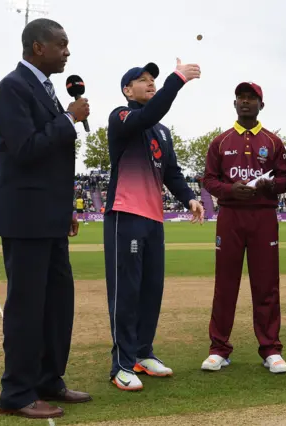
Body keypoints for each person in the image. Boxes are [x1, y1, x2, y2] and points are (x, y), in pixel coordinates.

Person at [0, 18, 92, 419]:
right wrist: (67, 120)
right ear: (37, 48)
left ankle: (50, 380)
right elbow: (26, 150)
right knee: (27, 308)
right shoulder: (12, 88)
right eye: (61, 44)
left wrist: (64, 208)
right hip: (25, 220)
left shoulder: (45, 90)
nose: (67, 51)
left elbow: (50, 162)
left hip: (49, 219)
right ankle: (16, 393)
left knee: (57, 306)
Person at [104, 59, 204, 391]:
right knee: (126, 289)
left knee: (151, 289)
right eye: (142, 80)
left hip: (153, 219)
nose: (150, 84)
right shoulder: (122, 117)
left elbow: (172, 173)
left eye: (153, 80)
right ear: (126, 89)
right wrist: (178, 79)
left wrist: (189, 197)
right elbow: (147, 115)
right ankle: (121, 362)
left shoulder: (161, 131)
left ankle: (143, 353)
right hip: (126, 216)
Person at [201, 82, 286, 373]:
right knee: (225, 284)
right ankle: (219, 349)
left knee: (266, 284)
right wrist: (229, 191)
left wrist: (270, 185)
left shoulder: (274, 142)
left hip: (263, 218)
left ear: (261, 105)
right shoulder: (220, 141)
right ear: (234, 104)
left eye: (251, 98)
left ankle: (270, 350)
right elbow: (209, 180)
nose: (245, 102)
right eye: (240, 98)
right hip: (231, 217)